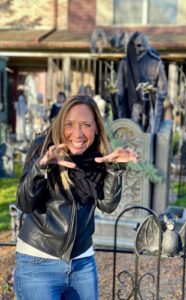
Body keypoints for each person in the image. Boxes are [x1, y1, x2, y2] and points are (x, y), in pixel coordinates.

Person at [13, 94, 138, 300]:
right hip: (37, 261)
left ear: (96, 127)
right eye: (69, 124)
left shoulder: (99, 155)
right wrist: (42, 167)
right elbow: (25, 203)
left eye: (86, 125)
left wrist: (115, 169)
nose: (77, 133)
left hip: (82, 263)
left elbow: (107, 205)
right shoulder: (43, 147)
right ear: (61, 124)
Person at [116, 31, 168, 133]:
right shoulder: (125, 63)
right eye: (136, 46)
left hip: (151, 107)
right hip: (131, 106)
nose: (139, 49)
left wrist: (152, 92)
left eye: (141, 45)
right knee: (133, 133)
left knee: (149, 135)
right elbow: (119, 91)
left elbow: (163, 90)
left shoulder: (155, 62)